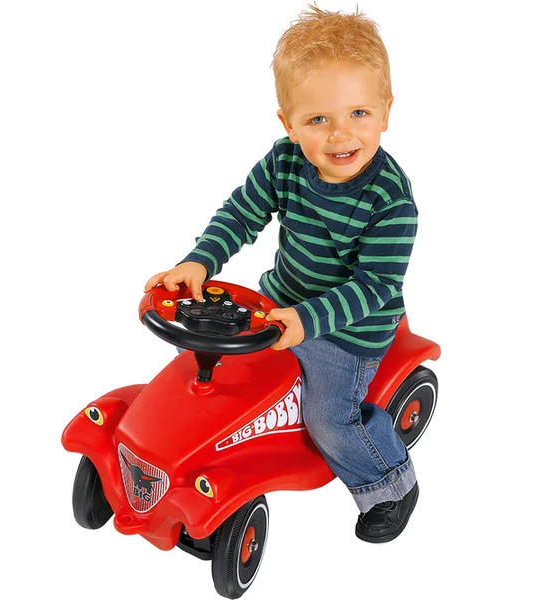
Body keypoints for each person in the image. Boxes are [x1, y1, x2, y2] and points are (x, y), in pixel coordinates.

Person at [145, 6, 420, 543]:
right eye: (318, 120)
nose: (340, 134)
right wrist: (200, 260)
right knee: (200, 366)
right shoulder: (284, 162)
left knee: (328, 419)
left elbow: (376, 286)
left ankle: (390, 484)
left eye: (359, 113)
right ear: (288, 124)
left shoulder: (390, 200)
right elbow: (241, 211)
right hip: (277, 304)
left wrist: (307, 321)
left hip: (346, 333)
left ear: (386, 112)